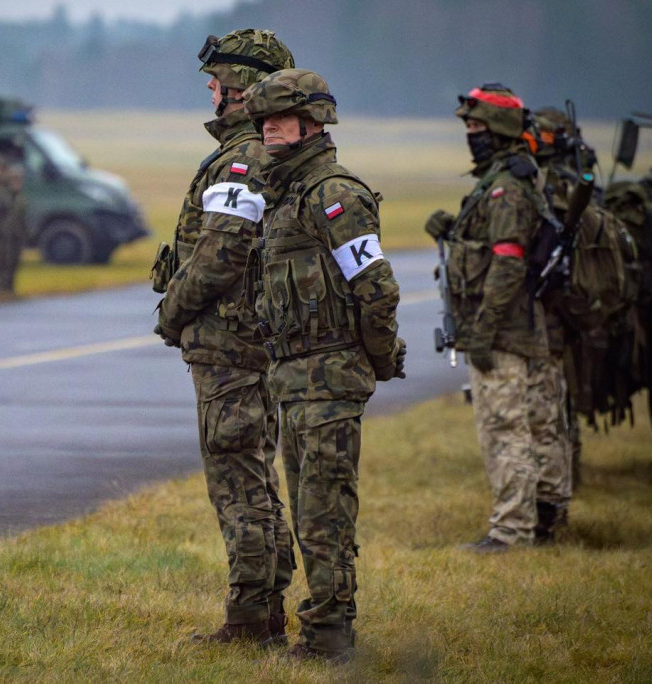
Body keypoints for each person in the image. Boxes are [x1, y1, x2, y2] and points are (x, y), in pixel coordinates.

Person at [240, 68, 405, 663]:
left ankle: (331, 636)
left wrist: (380, 359)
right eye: (263, 119)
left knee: (324, 512)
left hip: (330, 380)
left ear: (314, 122)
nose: (269, 128)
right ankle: (323, 628)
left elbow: (376, 290)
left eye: (280, 117)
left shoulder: (334, 196)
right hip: (294, 380)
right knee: (311, 509)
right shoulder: (284, 194)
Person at [153, 29, 296, 646]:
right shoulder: (260, 152)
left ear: (240, 90)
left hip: (230, 347)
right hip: (247, 343)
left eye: (218, 85)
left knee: (239, 483)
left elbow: (220, 253)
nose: (212, 94)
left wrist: (172, 314)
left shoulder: (243, 158)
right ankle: (265, 611)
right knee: (256, 477)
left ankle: (249, 624)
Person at [425, 84, 561, 552]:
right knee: (538, 423)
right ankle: (546, 514)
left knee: (505, 429)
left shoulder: (505, 186)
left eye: (477, 125)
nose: (470, 134)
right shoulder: (512, 176)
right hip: (522, 323)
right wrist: (455, 230)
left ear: (500, 127)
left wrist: (481, 330)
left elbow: (507, 261)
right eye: (467, 126)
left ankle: (512, 531)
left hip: (503, 329)